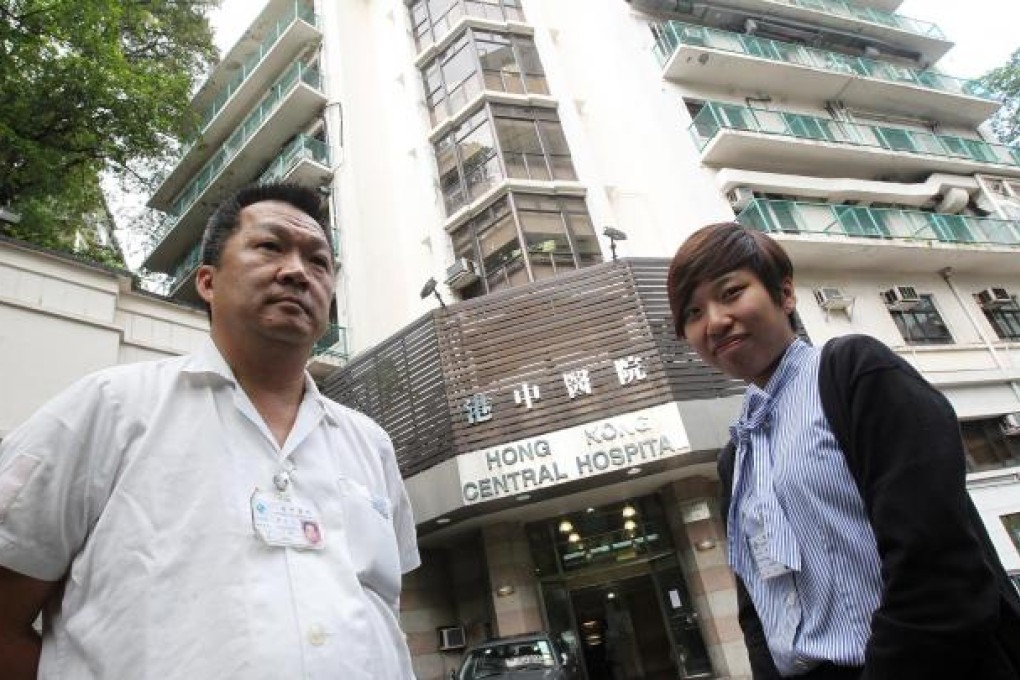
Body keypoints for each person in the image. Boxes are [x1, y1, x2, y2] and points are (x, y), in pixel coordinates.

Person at [0, 182, 420, 679]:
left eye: (319, 262)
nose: (297, 271)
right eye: (270, 246)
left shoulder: (370, 444)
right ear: (207, 281)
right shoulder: (110, 408)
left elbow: (384, 617)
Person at [665, 222, 1020, 680]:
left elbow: (935, 562)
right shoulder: (737, 457)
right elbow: (757, 607)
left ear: (785, 294)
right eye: (693, 312)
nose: (714, 321)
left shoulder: (854, 373)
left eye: (731, 292)